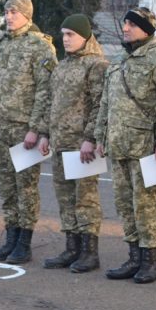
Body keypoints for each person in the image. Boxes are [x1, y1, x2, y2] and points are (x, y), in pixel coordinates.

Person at [94, 7, 156, 284]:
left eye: (132, 24)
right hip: (119, 142)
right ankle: (133, 257)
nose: (126, 28)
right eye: (125, 24)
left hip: (144, 143)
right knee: (124, 203)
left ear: (146, 27)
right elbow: (106, 102)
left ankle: (150, 261)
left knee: (144, 204)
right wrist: (100, 136)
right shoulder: (120, 59)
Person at [0, 0, 57, 264]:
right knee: (7, 187)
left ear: (27, 15)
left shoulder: (40, 46)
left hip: (25, 129)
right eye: (7, 12)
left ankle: (24, 243)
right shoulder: (0, 45)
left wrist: (36, 128)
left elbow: (46, 90)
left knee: (26, 188)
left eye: (14, 12)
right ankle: (10, 239)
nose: (9, 17)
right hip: (1, 126)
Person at [39, 15, 109, 273]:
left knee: (85, 199)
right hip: (60, 142)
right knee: (65, 198)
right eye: (63, 34)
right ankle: (72, 247)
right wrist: (45, 133)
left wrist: (90, 138)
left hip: (82, 146)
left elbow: (100, 104)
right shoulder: (62, 66)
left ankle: (90, 252)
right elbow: (52, 103)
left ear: (85, 37)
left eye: (71, 34)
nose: (65, 39)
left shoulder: (96, 65)